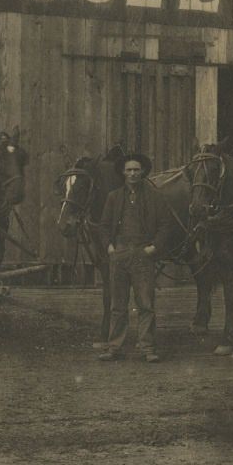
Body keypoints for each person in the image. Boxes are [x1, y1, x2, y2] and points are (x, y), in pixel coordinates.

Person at [98, 152, 173, 363]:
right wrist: (110, 247)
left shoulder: (155, 197)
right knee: (117, 305)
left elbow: (166, 225)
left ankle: (147, 347)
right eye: (129, 170)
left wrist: (154, 247)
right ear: (123, 172)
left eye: (136, 170)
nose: (132, 173)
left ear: (142, 172)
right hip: (120, 254)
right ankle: (114, 347)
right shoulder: (113, 197)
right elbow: (103, 227)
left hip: (142, 254)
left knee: (146, 304)